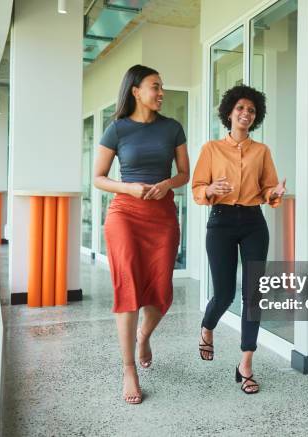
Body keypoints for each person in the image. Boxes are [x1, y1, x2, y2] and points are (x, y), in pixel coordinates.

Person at [94, 65, 190, 404]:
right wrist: (129, 188)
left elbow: (184, 174)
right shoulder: (117, 129)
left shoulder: (172, 128)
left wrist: (166, 184)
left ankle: (144, 336)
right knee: (128, 288)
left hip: (162, 216)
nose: (161, 92)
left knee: (161, 292)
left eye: (162, 87)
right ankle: (128, 368)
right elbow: (99, 177)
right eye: (155, 86)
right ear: (136, 90)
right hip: (125, 214)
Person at [192, 85, 285, 394]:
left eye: (252, 111)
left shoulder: (262, 151)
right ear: (229, 113)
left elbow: (268, 189)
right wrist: (209, 191)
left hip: (253, 223)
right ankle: (208, 326)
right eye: (241, 108)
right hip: (220, 222)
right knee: (224, 294)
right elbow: (197, 189)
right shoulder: (210, 149)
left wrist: (275, 194)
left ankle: (245, 364)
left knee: (254, 296)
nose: (246, 114)